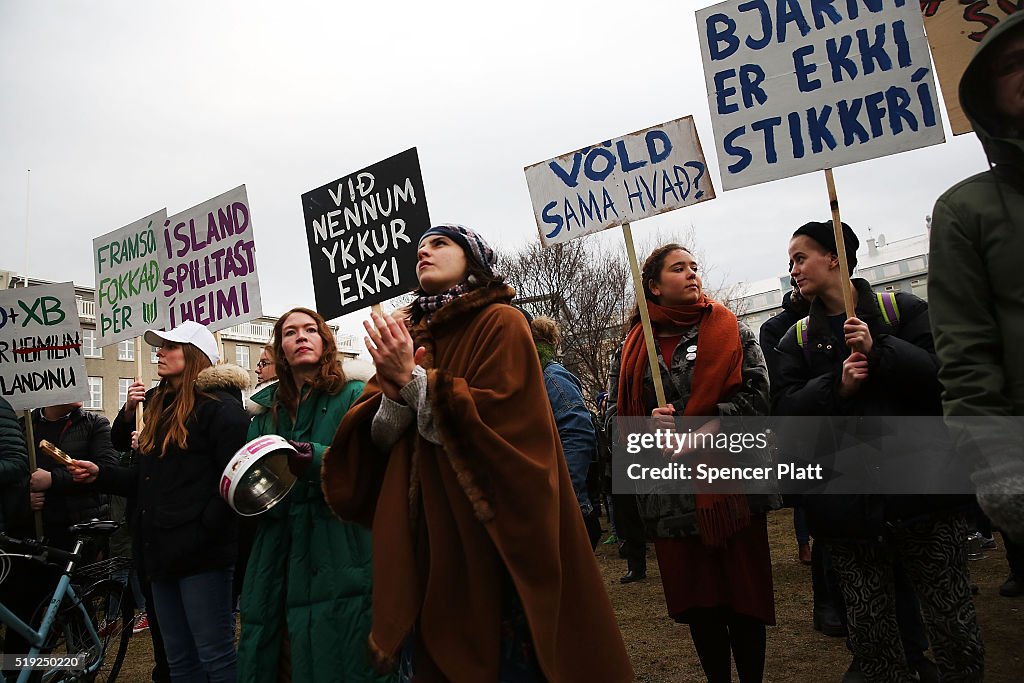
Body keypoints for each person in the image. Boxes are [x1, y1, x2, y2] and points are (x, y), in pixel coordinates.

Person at [322, 223, 632, 681]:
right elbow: (383, 439)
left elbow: (502, 426)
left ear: (473, 259)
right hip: (426, 533)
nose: (424, 251)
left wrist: (411, 379)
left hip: (489, 531)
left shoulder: (501, 322)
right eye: (420, 246)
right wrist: (393, 387)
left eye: (440, 243)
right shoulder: (407, 333)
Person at [774, 221, 984, 682]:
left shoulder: (902, 312)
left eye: (800, 258)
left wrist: (881, 348)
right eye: (791, 262)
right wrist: (838, 387)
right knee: (872, 635)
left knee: (952, 625)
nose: (793, 270)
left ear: (834, 257)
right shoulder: (798, 340)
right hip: (849, 513)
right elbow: (787, 415)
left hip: (924, 501)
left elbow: (944, 382)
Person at [608, 243, 778, 683]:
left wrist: (711, 426)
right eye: (679, 268)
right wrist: (647, 423)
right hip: (671, 498)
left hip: (732, 491)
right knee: (702, 608)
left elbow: (759, 398)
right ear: (654, 285)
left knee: (744, 602)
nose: (692, 274)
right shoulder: (631, 348)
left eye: (694, 267)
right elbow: (612, 423)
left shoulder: (730, 329)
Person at [72, 320, 250, 683]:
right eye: (160, 345)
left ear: (195, 355)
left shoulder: (222, 411)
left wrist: (204, 528)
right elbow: (148, 482)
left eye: (170, 346)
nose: (159, 351)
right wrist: (101, 475)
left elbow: (236, 480)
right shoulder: (160, 411)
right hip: (158, 554)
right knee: (178, 660)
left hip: (203, 558)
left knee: (214, 657)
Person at [237, 306, 388, 683]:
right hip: (277, 557)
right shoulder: (263, 415)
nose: (300, 337)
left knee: (342, 660)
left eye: (309, 330)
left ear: (325, 341)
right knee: (278, 660)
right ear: (280, 349)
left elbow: (370, 469)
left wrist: (315, 459)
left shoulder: (357, 395)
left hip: (340, 550)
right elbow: (255, 484)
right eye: (290, 333)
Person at [930, 10, 1024, 555]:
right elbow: (965, 355)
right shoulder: (967, 211)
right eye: (1013, 64)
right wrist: (1002, 468)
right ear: (989, 92)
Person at [2, 402, 120, 664]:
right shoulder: (24, 427)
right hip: (30, 536)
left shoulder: (93, 425)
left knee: (75, 608)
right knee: (24, 614)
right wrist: (25, 498)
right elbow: (14, 474)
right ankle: (18, 672)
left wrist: (54, 480)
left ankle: (84, 665)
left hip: (75, 535)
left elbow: (106, 470)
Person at [530, 315, 602, 548]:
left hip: (566, 503)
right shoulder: (531, 375)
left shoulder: (550, 374)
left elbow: (577, 430)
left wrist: (565, 491)